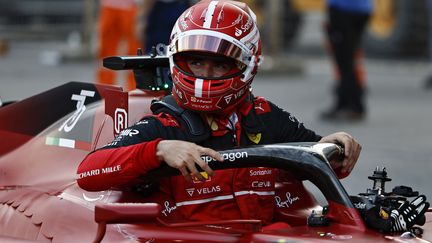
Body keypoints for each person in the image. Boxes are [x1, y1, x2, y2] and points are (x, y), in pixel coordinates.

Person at [77, 1, 426, 232]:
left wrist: (339, 145)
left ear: (246, 65)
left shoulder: (265, 118)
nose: (205, 74)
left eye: (219, 64)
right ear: (177, 61)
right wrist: (158, 151)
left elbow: (321, 158)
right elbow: (89, 172)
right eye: (196, 62)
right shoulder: (163, 126)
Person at [320, 0, 372, 121]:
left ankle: (354, 105)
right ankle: (343, 103)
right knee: (349, 58)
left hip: (343, 9)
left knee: (344, 62)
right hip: (363, 9)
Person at [96, 0, 141, 91]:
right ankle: (105, 92)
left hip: (131, 7)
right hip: (110, 7)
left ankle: (135, 91)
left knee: (134, 53)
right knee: (106, 55)